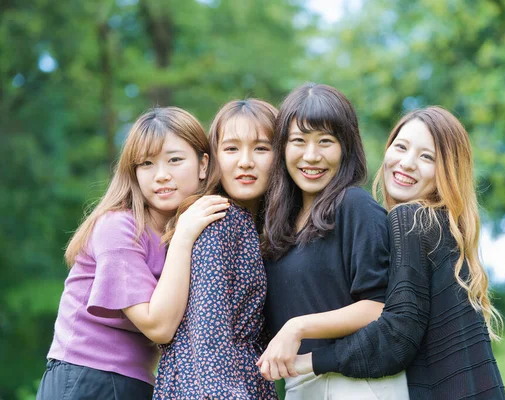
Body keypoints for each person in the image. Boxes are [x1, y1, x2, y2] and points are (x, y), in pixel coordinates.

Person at [294, 106, 505, 399]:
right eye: (401, 147)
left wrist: (307, 361)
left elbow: (397, 335)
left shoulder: (411, 219)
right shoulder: (443, 224)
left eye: (427, 157)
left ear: (448, 170)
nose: (407, 163)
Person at [37, 107, 230, 399]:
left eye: (175, 160)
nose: (161, 175)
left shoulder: (195, 231)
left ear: (203, 164)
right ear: (134, 172)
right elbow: (159, 326)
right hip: (86, 377)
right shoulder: (118, 228)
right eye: (147, 164)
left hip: (137, 382)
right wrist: (184, 236)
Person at [259, 83, 408, 399]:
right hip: (302, 384)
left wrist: (298, 327)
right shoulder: (277, 223)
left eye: (325, 142)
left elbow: (379, 307)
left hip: (358, 385)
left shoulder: (355, 207)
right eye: (298, 141)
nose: (311, 156)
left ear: (346, 148)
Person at [153, 99, 279, 399]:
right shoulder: (217, 219)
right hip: (212, 386)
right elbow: (208, 334)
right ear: (211, 160)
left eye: (261, 148)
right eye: (232, 149)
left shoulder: (256, 226)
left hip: (243, 380)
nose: (245, 161)